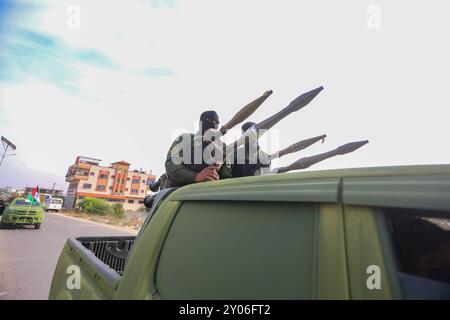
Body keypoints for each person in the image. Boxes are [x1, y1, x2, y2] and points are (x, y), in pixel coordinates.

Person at [165, 110, 233, 187]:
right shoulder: (185, 138)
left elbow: (227, 175)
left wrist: (220, 162)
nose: (214, 123)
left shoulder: (220, 146)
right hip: (178, 190)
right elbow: (170, 164)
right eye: (210, 120)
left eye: (217, 122)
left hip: (207, 191)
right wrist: (196, 176)